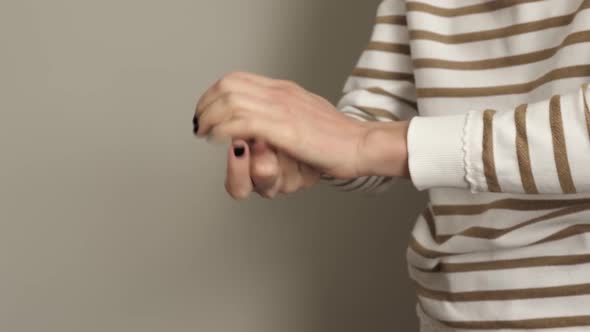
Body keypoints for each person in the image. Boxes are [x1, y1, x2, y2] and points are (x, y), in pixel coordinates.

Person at [193, 0, 590, 330]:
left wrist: (363, 144)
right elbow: (377, 126)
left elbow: (376, 143)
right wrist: (302, 146)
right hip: (453, 314)